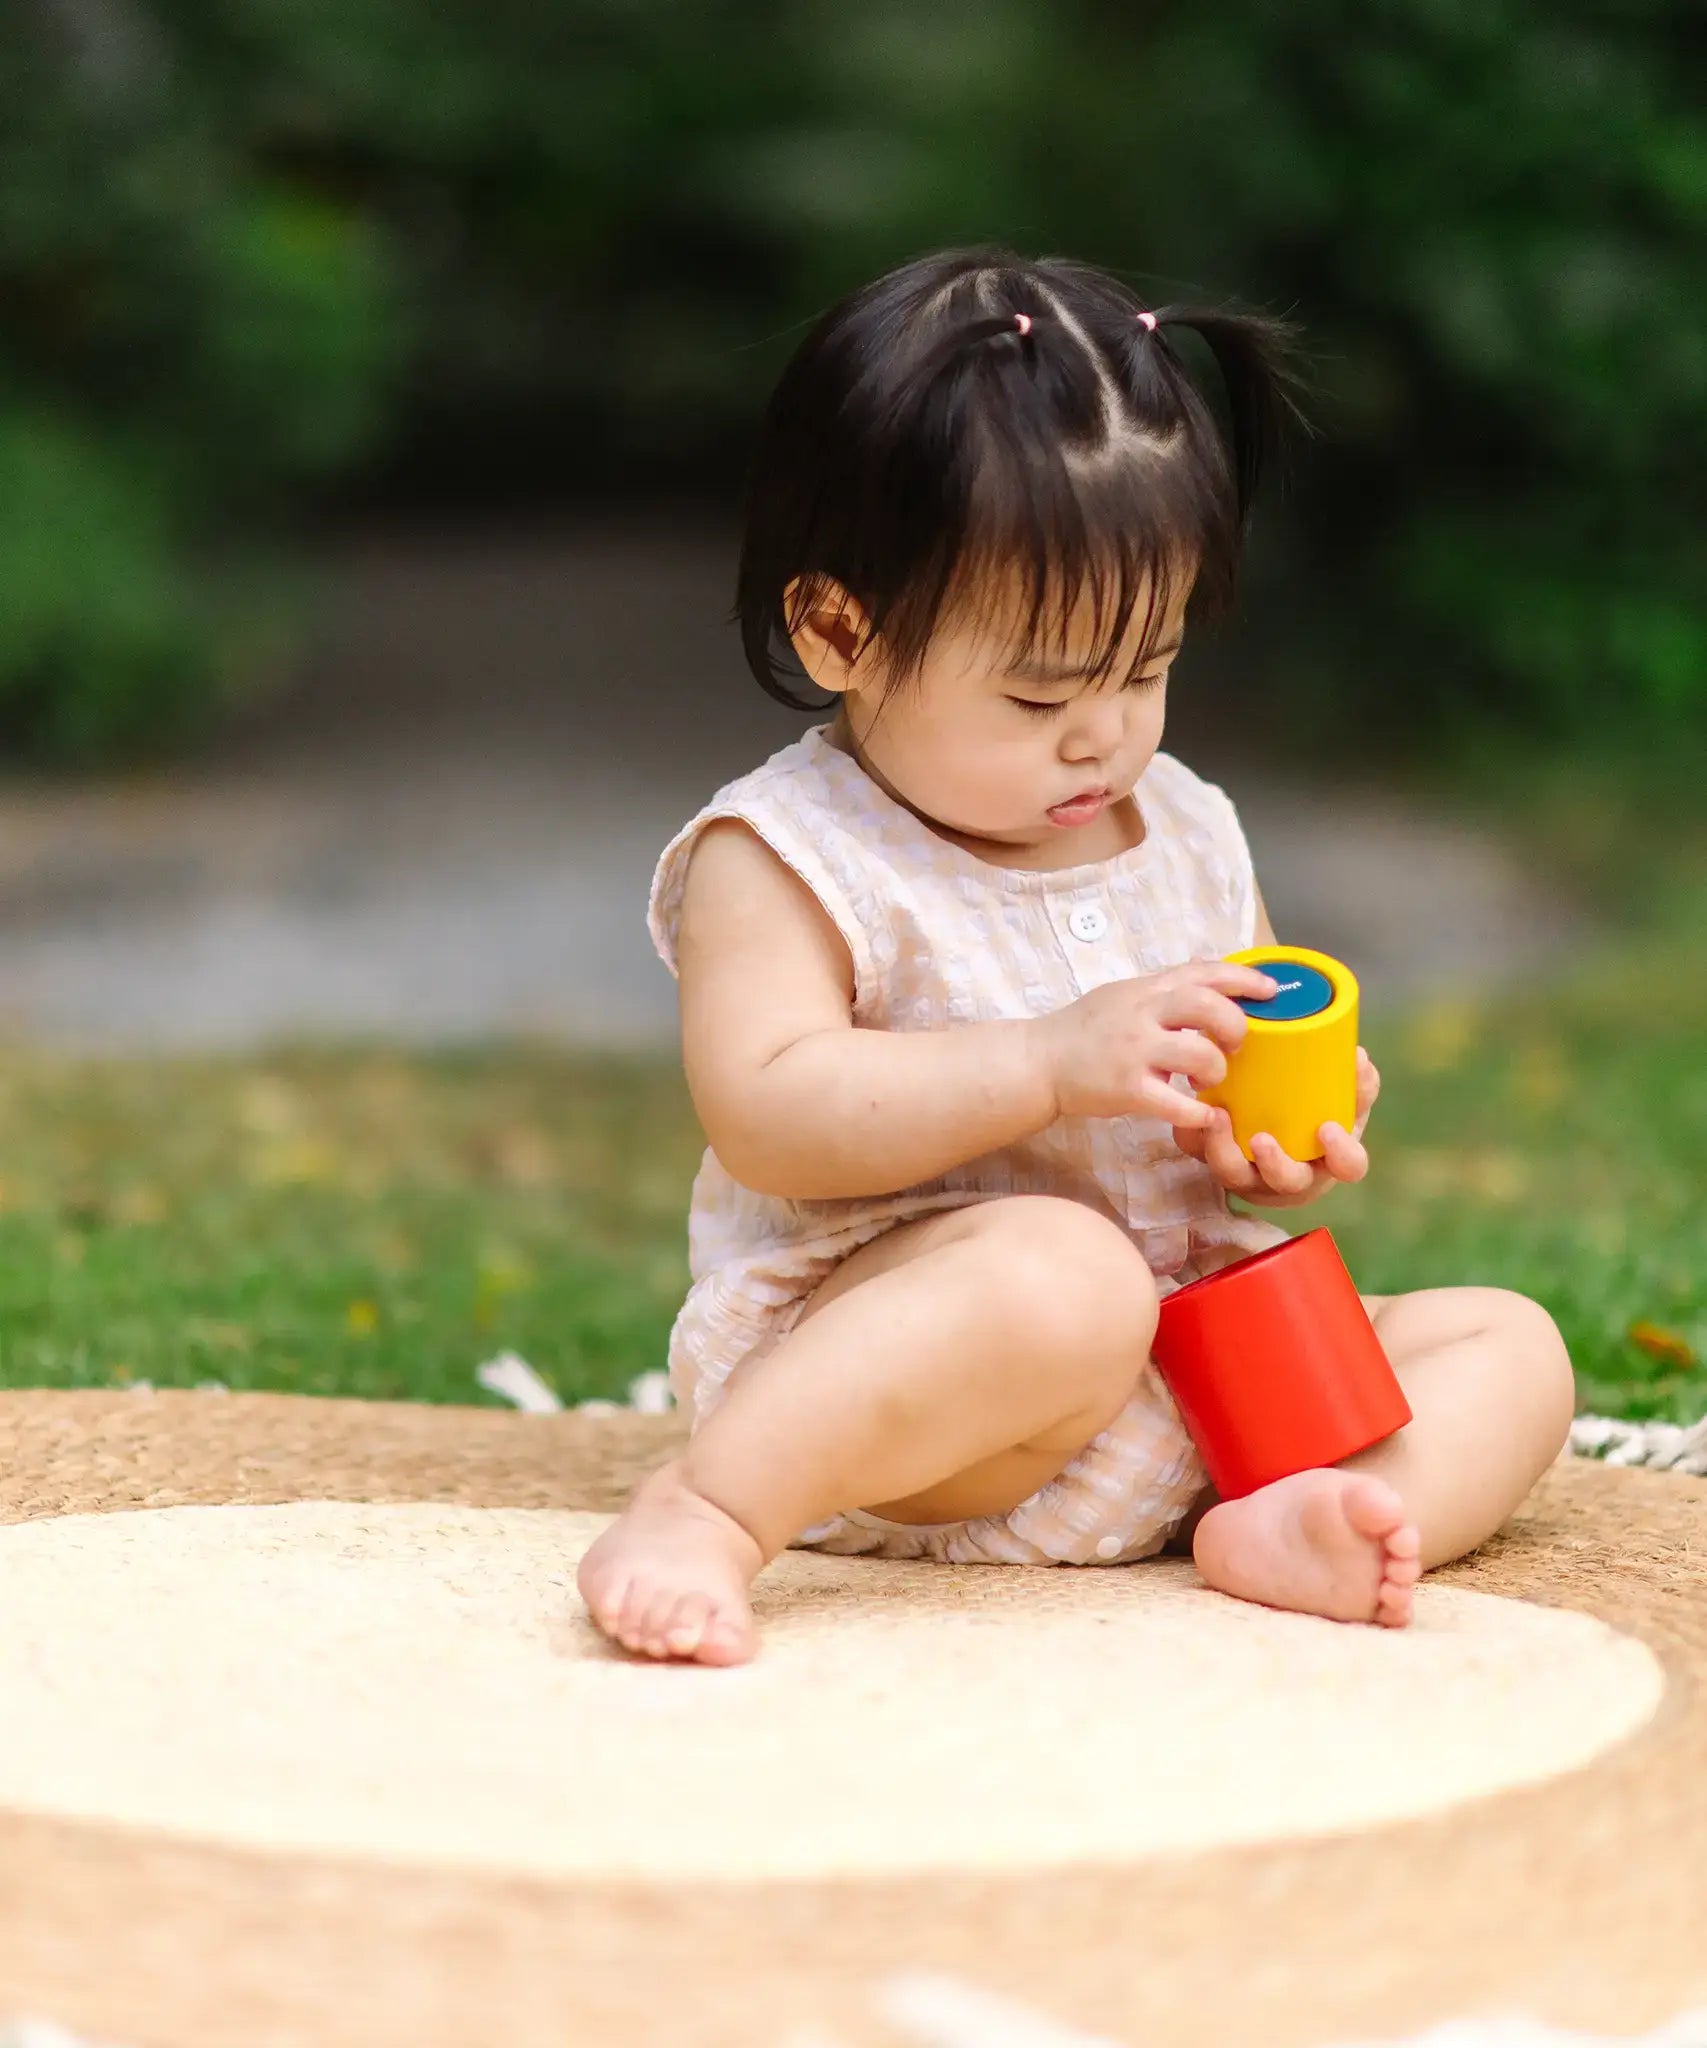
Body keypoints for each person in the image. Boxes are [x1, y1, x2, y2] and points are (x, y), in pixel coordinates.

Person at [578, 245, 1576, 1666]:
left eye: (1149, 668)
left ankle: (1302, 1514)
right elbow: (770, 1113)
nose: (1104, 733)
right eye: (1042, 689)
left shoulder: (1183, 826)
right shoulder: (789, 854)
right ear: (840, 629)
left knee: (1506, 1346)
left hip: (1179, 1378)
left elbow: (1227, 1049)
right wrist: (1050, 1063)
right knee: (1064, 1276)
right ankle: (711, 1512)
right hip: (917, 1390)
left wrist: (1266, 1131)